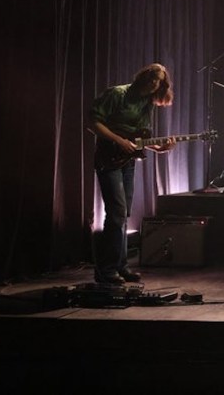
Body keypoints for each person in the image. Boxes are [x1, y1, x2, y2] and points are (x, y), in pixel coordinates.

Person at [89, 63, 175, 285]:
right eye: (153, 79)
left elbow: (137, 139)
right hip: (108, 158)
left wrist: (158, 148)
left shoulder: (147, 103)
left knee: (123, 213)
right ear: (143, 77)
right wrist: (119, 140)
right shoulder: (117, 94)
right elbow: (93, 122)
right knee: (116, 212)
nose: (155, 84)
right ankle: (106, 270)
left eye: (159, 81)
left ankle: (120, 266)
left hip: (127, 161)